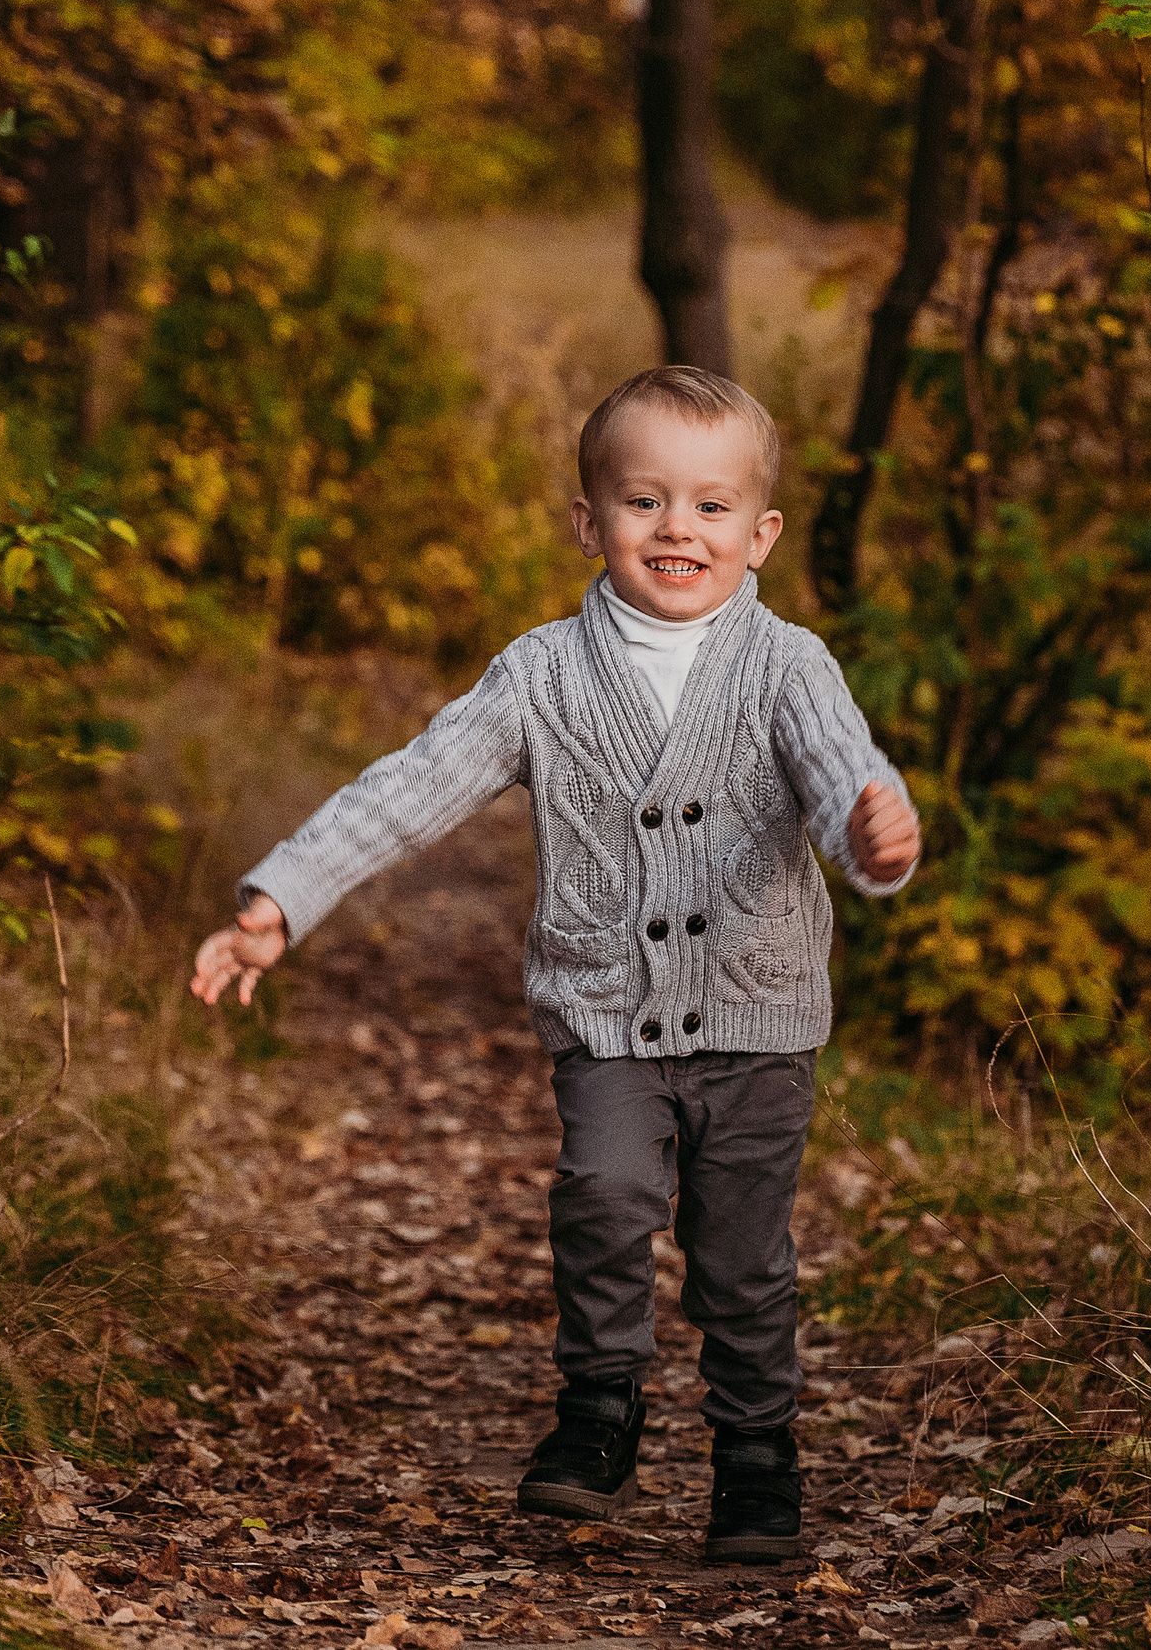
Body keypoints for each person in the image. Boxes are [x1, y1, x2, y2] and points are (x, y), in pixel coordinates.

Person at [188, 366, 921, 1564]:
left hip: (759, 1021)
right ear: (589, 521)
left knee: (741, 1258)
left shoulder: (791, 666)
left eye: (710, 507)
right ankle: (599, 1407)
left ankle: (754, 1460)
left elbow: (843, 770)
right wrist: (284, 897)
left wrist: (869, 835)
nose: (676, 529)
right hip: (605, 1015)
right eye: (643, 502)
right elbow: (410, 790)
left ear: (760, 534)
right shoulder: (539, 673)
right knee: (604, 1197)